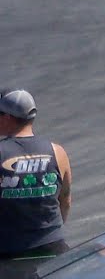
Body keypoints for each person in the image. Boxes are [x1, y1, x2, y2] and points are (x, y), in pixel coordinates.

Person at [0, 90, 71, 260]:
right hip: (52, 245)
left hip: (9, 251)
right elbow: (66, 200)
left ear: (8, 118)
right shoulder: (57, 151)